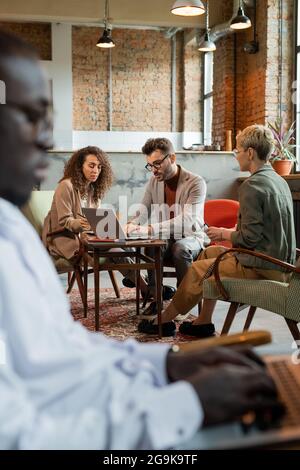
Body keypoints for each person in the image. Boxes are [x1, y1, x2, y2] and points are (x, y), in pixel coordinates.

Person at [0, 30, 281, 450]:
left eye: (49, 117)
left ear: (170, 159)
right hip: (160, 242)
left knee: (185, 249)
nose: (47, 137)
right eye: (30, 115)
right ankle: (163, 302)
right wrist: (187, 401)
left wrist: (168, 365)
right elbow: (21, 436)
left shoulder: (11, 230)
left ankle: (175, 313)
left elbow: (61, 350)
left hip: (186, 237)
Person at [139, 124, 296, 336]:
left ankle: (164, 320)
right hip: (280, 262)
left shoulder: (252, 186)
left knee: (198, 269)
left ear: (250, 153)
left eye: (237, 151)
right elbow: (265, 230)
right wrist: (228, 230)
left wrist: (223, 234)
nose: (236, 156)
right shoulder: (278, 181)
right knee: (208, 253)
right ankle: (204, 321)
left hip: (261, 265)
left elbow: (249, 239)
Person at [42, 146, 148, 294]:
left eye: (99, 167)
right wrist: (87, 224)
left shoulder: (92, 189)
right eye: (91, 166)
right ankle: (147, 288)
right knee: (116, 249)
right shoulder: (65, 186)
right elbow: (65, 221)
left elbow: (94, 218)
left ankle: (143, 282)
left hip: (88, 236)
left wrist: (107, 224)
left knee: (123, 242)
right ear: (80, 166)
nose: (96, 170)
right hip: (65, 238)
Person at [126, 137, 209, 315]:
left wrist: (149, 229)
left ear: (172, 158)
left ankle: (183, 300)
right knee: (153, 245)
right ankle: (156, 298)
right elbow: (143, 210)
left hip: (192, 236)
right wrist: (131, 224)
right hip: (167, 235)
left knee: (180, 248)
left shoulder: (196, 182)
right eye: (150, 165)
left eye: (157, 164)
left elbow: (186, 220)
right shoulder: (154, 182)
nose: (153, 171)